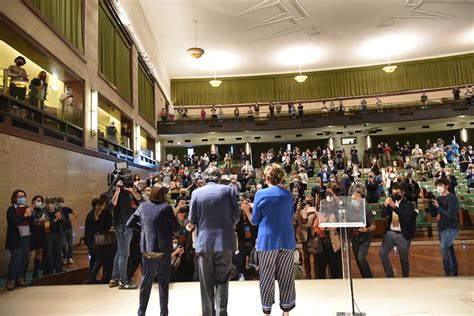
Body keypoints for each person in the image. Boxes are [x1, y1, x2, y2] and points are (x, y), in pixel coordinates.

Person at [188, 166, 240, 316]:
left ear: (204, 178)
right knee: (223, 281)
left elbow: (192, 219)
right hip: (225, 241)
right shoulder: (229, 190)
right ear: (219, 177)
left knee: (206, 284)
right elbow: (236, 215)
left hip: (204, 243)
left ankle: (208, 313)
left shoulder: (196, 193)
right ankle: (221, 313)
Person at [246, 164, 296, 315]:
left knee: (267, 277)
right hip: (287, 239)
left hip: (267, 241)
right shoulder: (288, 195)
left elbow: (255, 220)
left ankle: (267, 312)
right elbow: (287, 216)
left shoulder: (260, 194)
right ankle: (286, 312)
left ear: (267, 178)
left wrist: (249, 208)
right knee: (287, 276)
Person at [127, 184, 180, 316]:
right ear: (163, 194)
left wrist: (144, 230)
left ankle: (141, 312)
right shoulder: (166, 207)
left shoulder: (143, 206)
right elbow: (176, 227)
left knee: (146, 282)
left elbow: (129, 224)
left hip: (148, 249)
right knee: (163, 283)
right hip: (163, 250)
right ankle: (163, 313)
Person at [379, 183, 417, 277]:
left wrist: (394, 207)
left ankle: (405, 278)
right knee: (382, 253)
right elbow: (383, 215)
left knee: (404, 259)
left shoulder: (409, 204)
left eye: (398, 193)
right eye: (393, 193)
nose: (395, 195)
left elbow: (406, 217)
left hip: (403, 234)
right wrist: (385, 205)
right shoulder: (391, 201)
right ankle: (390, 275)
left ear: (403, 193)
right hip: (390, 233)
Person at [110, 179, 142, 289]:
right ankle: (123, 281)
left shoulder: (130, 192)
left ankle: (114, 278)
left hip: (128, 225)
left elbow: (139, 198)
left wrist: (132, 191)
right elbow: (112, 204)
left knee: (120, 252)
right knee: (124, 253)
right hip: (122, 225)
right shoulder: (114, 190)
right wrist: (117, 191)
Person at [429, 178, 459, 276]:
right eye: (437, 185)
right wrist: (431, 203)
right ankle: (454, 273)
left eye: (441, 185)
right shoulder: (438, 198)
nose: (439, 187)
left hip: (450, 227)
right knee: (449, 250)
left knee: (444, 247)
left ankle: (448, 272)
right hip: (441, 228)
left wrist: (439, 207)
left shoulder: (452, 198)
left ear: (446, 186)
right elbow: (434, 215)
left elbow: (451, 215)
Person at [5, 190, 33, 290]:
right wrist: (25, 215)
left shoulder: (26, 208)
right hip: (16, 237)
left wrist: (31, 213)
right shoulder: (11, 209)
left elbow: (31, 222)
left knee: (24, 258)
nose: (22, 198)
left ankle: (20, 278)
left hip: (26, 235)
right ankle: (11, 280)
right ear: (14, 198)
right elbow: (13, 222)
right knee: (16, 259)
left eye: (24, 196)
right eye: (19, 196)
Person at [93, 193, 117, 284]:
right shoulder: (106, 211)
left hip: (98, 240)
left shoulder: (97, 210)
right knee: (109, 263)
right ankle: (105, 281)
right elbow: (105, 226)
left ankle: (103, 280)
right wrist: (111, 229)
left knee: (103, 262)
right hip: (106, 240)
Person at [350, 192, 375, 278]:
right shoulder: (350, 211)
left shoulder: (366, 210)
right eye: (352, 199)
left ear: (361, 200)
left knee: (361, 258)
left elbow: (373, 226)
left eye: (356, 198)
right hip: (354, 238)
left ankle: (369, 277)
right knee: (357, 260)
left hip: (365, 238)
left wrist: (366, 229)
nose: (354, 200)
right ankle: (364, 277)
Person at [43, 196, 64, 276]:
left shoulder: (58, 210)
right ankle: (48, 272)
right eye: (48, 203)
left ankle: (59, 269)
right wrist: (55, 219)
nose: (50, 205)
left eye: (52, 203)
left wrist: (60, 218)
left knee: (58, 252)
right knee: (48, 253)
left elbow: (63, 221)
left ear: (55, 204)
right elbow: (46, 226)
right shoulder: (44, 211)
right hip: (48, 235)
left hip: (57, 234)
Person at [29, 195, 48, 279]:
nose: (39, 202)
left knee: (39, 252)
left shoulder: (43, 210)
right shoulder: (29, 209)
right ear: (33, 201)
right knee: (28, 254)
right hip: (31, 234)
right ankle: (22, 274)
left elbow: (47, 221)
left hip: (41, 233)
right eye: (37, 200)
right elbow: (29, 221)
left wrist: (45, 222)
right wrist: (39, 220)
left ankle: (35, 273)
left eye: (40, 201)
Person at [84, 198, 102, 283]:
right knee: (99, 258)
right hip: (92, 241)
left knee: (94, 258)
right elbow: (93, 229)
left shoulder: (91, 214)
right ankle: (92, 276)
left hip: (90, 240)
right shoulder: (93, 215)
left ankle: (92, 276)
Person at [57, 196, 77, 264]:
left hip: (69, 228)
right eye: (59, 202)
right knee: (63, 244)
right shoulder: (57, 210)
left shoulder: (66, 209)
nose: (61, 203)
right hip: (61, 229)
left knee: (70, 244)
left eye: (62, 202)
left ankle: (70, 257)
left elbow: (75, 213)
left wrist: (72, 219)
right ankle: (65, 257)